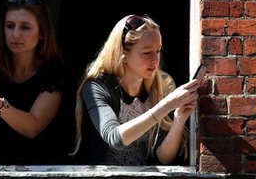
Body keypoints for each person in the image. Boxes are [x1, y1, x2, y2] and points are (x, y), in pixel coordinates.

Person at [74, 15, 200, 166]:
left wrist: (179, 118)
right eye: (147, 52)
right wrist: (167, 105)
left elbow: (163, 158)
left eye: (158, 51)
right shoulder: (97, 87)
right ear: (124, 54)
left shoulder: (162, 84)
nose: (155, 60)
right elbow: (115, 138)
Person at [0, 0, 70, 165]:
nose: (15, 34)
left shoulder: (53, 72)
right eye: (10, 26)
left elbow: (33, 127)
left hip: (41, 174)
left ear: (42, 32)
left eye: (25, 27)